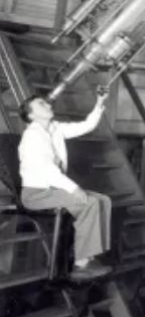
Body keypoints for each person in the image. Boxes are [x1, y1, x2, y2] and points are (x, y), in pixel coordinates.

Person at [18, 90, 112, 280]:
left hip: (54, 189)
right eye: (41, 105)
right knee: (89, 203)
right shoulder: (32, 137)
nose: (48, 105)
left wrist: (99, 103)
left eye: (47, 103)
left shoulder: (54, 128)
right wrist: (74, 189)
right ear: (31, 115)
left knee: (103, 200)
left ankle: (89, 256)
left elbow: (86, 126)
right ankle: (80, 265)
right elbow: (47, 170)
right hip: (36, 194)